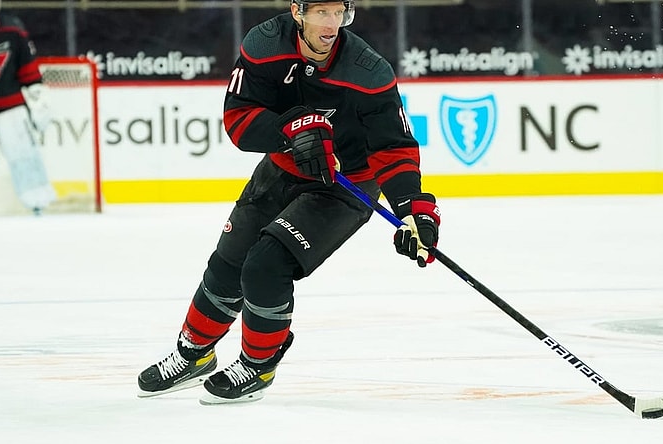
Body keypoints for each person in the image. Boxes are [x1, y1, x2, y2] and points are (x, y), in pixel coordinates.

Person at [137, 0, 441, 405]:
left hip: (343, 185)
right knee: (228, 263)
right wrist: (292, 127)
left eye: (340, 13)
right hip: (281, 169)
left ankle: (258, 366)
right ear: (298, 11)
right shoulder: (265, 45)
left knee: (266, 266)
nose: (332, 24)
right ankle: (193, 355)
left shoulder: (369, 71)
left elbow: (394, 148)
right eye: (322, 13)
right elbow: (238, 120)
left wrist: (414, 211)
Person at [0, 0, 55, 214]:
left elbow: (28, 70)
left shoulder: (14, 29)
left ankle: (37, 202)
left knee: (25, 156)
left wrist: (38, 100)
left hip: (11, 106)